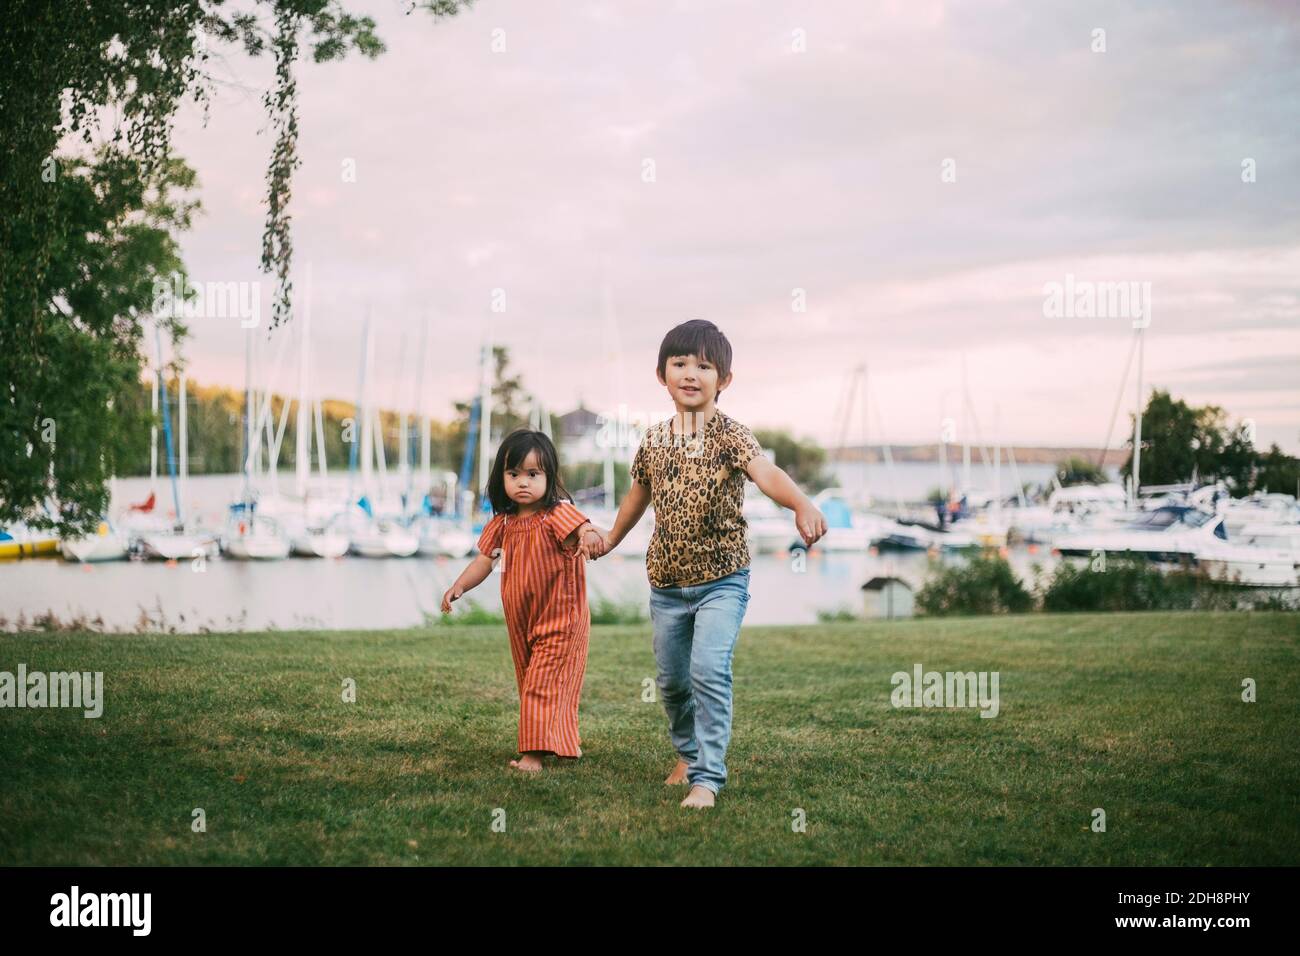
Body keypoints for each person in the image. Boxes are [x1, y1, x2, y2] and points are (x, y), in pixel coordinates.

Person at [597, 320, 827, 808]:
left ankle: (707, 779)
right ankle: (687, 752)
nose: (691, 373)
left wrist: (801, 503)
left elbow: (765, 473)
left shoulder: (732, 436)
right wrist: (612, 538)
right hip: (665, 585)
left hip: (723, 581)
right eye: (680, 363)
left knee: (708, 669)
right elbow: (638, 493)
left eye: (704, 366)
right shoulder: (654, 440)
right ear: (662, 374)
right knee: (673, 682)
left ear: (723, 379)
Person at [441, 429, 607, 773]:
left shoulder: (556, 514)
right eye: (513, 474)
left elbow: (582, 529)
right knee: (532, 681)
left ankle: (532, 756)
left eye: (533, 474)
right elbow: (485, 561)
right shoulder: (503, 523)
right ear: (500, 479)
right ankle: (562, 742)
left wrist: (589, 536)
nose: (522, 482)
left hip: (561, 618)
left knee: (541, 683)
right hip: (521, 622)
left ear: (549, 477)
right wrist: (459, 585)